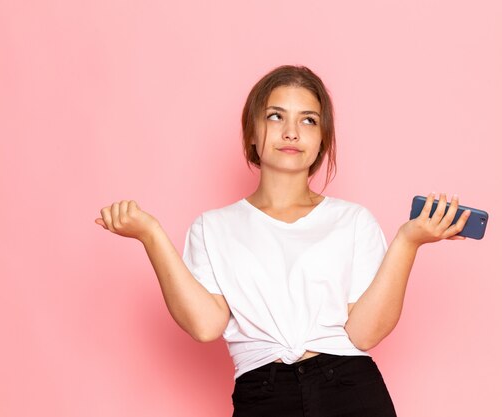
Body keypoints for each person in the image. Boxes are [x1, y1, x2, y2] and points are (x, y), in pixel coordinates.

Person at [95, 65, 471, 417]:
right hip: (263, 394)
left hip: (350, 388)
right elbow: (206, 325)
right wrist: (151, 235)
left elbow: (365, 332)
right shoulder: (212, 228)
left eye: (308, 120)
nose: (291, 131)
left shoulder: (352, 221)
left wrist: (407, 241)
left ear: (322, 139)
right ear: (252, 132)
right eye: (276, 116)